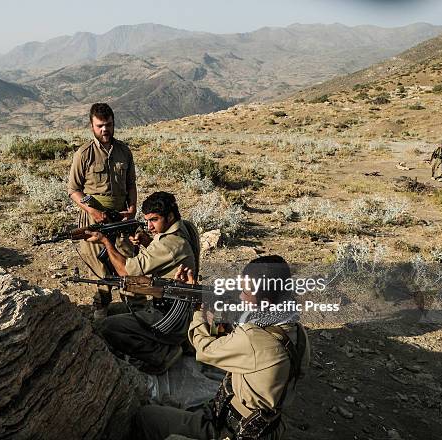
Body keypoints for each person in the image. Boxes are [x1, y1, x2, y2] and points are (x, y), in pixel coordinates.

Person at [135, 255, 311, 440]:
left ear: (265, 301)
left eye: (245, 292)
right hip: (267, 426)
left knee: (147, 417)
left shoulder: (253, 337)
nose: (241, 296)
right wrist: (211, 305)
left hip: (232, 430)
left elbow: (204, 348)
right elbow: (234, 340)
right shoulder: (295, 330)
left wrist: (198, 310)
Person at [85, 191, 200, 375]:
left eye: (154, 220)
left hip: (169, 316)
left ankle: (162, 354)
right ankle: (173, 342)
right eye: (147, 220)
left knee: (106, 327)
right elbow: (166, 259)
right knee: (115, 311)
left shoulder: (169, 244)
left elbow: (126, 271)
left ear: (170, 216)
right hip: (182, 308)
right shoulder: (186, 227)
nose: (149, 226)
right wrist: (148, 242)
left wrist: (106, 242)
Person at [67, 103, 138, 319]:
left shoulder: (124, 151)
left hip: (120, 219)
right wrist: (93, 211)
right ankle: (102, 311)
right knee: (100, 268)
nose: (104, 130)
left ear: (114, 123)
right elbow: (73, 190)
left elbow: (131, 184)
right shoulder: (84, 154)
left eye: (108, 124)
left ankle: (133, 309)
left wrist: (132, 208)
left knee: (128, 262)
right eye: (99, 126)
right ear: (92, 126)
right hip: (93, 219)